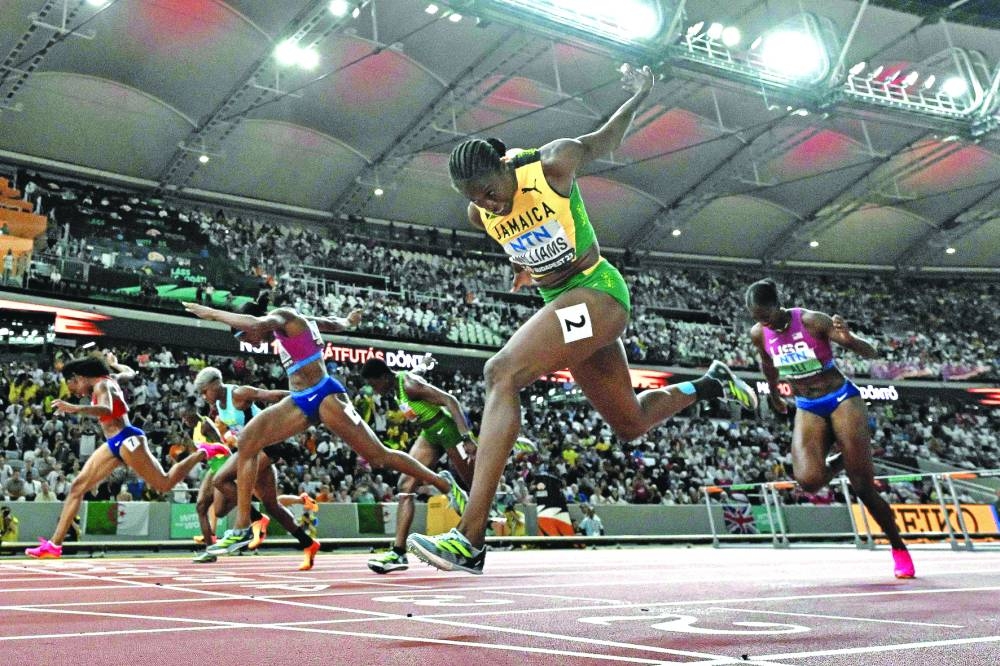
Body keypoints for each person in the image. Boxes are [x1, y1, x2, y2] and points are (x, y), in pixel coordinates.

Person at [406, 62, 758, 575]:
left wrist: (640, 95)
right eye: (475, 201)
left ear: (505, 167)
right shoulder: (479, 213)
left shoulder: (552, 164)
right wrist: (526, 266)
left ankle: (471, 536)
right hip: (568, 304)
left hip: (598, 292)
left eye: (489, 192)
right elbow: (530, 239)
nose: (486, 205)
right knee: (629, 422)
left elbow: (605, 139)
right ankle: (709, 383)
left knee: (499, 373)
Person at [181, 302, 468, 559]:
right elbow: (329, 323)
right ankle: (242, 526)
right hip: (299, 401)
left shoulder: (283, 317)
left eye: (247, 337)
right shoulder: (291, 325)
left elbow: (256, 325)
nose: (251, 342)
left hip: (325, 395)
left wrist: (211, 313)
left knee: (379, 456)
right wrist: (348, 322)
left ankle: (444, 484)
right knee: (248, 442)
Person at [744, 278, 915, 579]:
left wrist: (850, 340)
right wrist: (774, 396)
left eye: (766, 315)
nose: (764, 323)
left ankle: (898, 546)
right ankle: (841, 461)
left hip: (840, 399)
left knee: (863, 487)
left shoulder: (812, 321)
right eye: (757, 318)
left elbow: (872, 352)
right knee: (809, 481)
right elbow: (768, 365)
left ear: (777, 304)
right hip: (807, 405)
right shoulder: (760, 333)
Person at [25, 352, 225, 559]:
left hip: (128, 439)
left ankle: (203, 452)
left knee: (164, 484)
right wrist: (116, 364)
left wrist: (75, 409)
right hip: (114, 443)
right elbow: (130, 372)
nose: (73, 391)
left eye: (72, 385)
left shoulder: (102, 386)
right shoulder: (110, 380)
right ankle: (54, 545)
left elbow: (106, 408)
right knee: (77, 487)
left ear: (79, 377)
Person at [191, 368, 321, 570]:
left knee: (220, 479)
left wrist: (308, 398)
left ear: (215, 385)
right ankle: (308, 543)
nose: (203, 396)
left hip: (267, 444)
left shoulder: (238, 394)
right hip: (252, 449)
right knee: (271, 504)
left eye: (204, 391)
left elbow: (272, 396)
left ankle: (252, 522)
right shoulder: (217, 403)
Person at [360, 356, 478, 574]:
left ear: (385, 377)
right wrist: (424, 362)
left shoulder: (409, 385)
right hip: (429, 434)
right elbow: (418, 369)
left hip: (448, 430)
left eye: (375, 385)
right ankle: (398, 552)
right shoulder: (397, 383)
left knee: (475, 485)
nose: (375, 391)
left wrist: (467, 438)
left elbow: (451, 400)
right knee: (405, 485)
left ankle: (472, 538)